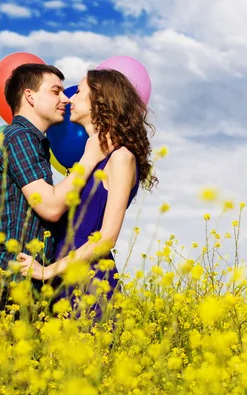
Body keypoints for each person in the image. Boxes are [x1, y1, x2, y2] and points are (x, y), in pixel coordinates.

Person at [0, 63, 112, 321]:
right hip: (10, 282)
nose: (66, 98)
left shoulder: (33, 142)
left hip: (25, 279)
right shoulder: (19, 138)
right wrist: (90, 157)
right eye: (56, 91)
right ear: (30, 96)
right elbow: (49, 207)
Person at [18, 68, 158, 322]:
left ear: (99, 99)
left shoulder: (121, 158)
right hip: (61, 276)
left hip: (88, 280)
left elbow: (106, 238)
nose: (69, 98)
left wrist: (47, 271)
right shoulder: (87, 160)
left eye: (79, 91)